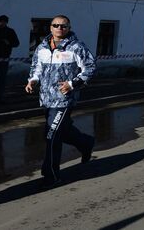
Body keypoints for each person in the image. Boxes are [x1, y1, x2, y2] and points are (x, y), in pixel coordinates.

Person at [26, 15, 96, 188]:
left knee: (52, 135)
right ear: (50, 28)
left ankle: (51, 176)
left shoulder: (75, 47)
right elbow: (36, 67)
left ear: (69, 28)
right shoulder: (42, 47)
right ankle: (85, 143)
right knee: (60, 132)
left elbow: (90, 67)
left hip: (64, 99)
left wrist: (72, 84)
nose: (60, 29)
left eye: (64, 26)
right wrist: (32, 80)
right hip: (47, 98)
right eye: (56, 25)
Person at [0, 14, 20, 104]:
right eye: (0, 21)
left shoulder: (10, 32)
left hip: (4, 57)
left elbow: (16, 43)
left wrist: (8, 43)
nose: (2, 23)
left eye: (4, 22)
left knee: (2, 79)